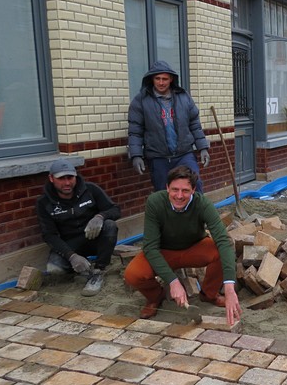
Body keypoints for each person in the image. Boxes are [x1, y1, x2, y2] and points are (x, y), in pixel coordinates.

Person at [124, 165, 241, 325]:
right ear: (167, 187)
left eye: (185, 190)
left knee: (222, 250)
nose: (179, 196)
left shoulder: (203, 204)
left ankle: (209, 294)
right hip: (164, 251)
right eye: (174, 190)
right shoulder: (155, 202)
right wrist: (173, 282)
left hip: (194, 247)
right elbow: (150, 247)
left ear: (193, 190)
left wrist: (229, 287)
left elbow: (223, 240)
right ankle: (155, 297)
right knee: (133, 274)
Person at [36, 159, 121, 296]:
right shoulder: (44, 203)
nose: (67, 183)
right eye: (61, 179)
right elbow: (49, 235)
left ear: (75, 176)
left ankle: (98, 271)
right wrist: (72, 256)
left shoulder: (90, 190)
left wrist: (100, 217)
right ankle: (82, 270)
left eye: (70, 177)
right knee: (54, 268)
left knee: (110, 226)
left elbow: (115, 209)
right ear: (51, 178)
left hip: (93, 237)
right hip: (70, 244)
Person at [128, 60, 210, 193]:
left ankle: (197, 214)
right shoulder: (141, 101)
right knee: (164, 192)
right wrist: (136, 155)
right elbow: (135, 131)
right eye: (157, 78)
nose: (161, 82)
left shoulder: (183, 97)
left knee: (195, 185)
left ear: (171, 79)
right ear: (152, 79)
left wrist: (203, 148)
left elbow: (194, 124)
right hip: (158, 157)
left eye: (165, 79)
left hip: (184, 154)